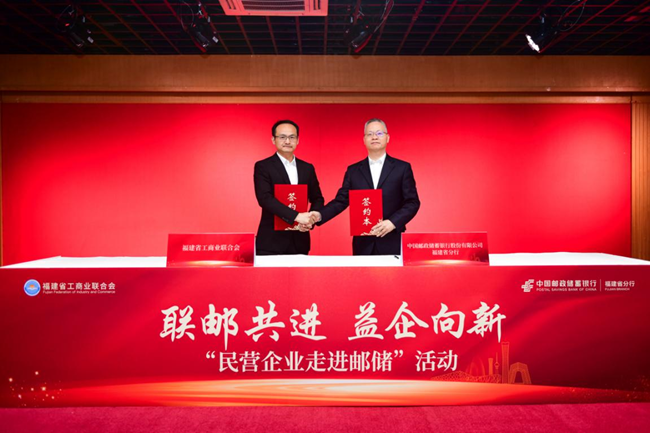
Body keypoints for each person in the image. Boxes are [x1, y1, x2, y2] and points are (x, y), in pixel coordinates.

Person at [312, 118, 420, 255]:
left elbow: (412, 202)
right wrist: (319, 215)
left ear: (387, 138)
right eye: (370, 134)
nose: (374, 137)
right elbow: (341, 201)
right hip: (363, 243)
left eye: (379, 133)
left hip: (392, 239)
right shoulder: (353, 171)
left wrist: (392, 222)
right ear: (364, 140)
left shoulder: (402, 168)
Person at [254, 120, 324, 255]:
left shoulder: (307, 168)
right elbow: (265, 198)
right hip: (271, 241)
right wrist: (296, 216)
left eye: (292, 137)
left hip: (300, 240)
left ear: (297, 140)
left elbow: (317, 198)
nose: (287, 141)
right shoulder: (263, 166)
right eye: (282, 137)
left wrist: (311, 219)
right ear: (273, 140)